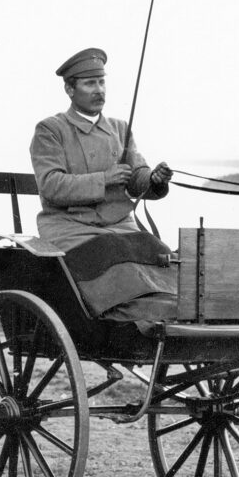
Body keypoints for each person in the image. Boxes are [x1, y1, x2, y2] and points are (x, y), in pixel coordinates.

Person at [30, 47, 177, 322]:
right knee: (113, 254)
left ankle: (161, 312)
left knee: (157, 253)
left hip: (119, 225)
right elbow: (50, 185)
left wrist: (153, 179)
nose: (99, 90)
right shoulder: (51, 130)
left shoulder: (120, 128)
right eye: (89, 83)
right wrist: (105, 179)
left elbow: (137, 178)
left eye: (101, 82)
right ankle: (129, 318)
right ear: (69, 89)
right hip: (71, 228)